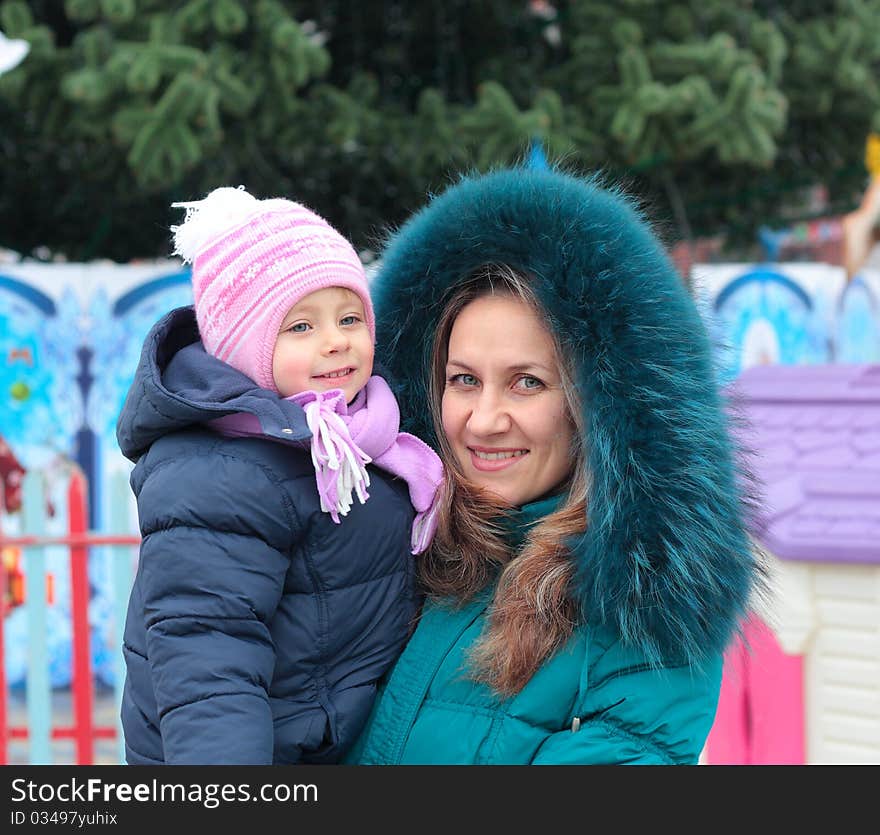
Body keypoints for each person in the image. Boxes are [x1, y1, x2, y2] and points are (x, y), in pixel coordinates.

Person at [344, 166, 766, 765]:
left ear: (594, 405)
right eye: (463, 380)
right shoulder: (382, 558)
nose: (484, 419)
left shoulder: (640, 612)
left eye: (526, 383)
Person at [115, 187, 443, 764]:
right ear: (244, 349)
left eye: (349, 317)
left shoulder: (368, 438)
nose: (336, 340)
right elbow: (207, 656)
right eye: (299, 327)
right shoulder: (218, 471)